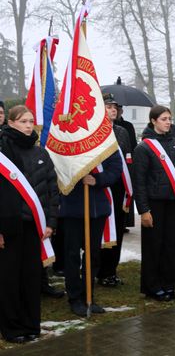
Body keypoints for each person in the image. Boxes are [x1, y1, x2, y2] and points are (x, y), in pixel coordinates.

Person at [0, 105, 59, 343]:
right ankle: (12, 328)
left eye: (31, 121)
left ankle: (31, 324)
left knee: (31, 278)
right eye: (23, 121)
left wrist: (51, 222)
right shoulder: (3, 153)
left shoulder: (40, 152)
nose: (28, 125)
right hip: (9, 227)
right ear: (11, 123)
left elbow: (52, 190)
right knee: (9, 279)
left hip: (35, 226)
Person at [60, 144, 122, 317]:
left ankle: (88, 295)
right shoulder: (69, 140)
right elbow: (59, 167)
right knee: (72, 254)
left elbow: (116, 168)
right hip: (73, 208)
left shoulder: (105, 141)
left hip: (97, 207)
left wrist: (97, 179)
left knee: (93, 255)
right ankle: (74, 297)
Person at [133, 105, 175, 301]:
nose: (168, 122)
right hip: (153, 203)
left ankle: (168, 284)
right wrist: (143, 210)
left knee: (169, 245)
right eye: (164, 119)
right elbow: (139, 181)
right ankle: (152, 286)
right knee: (153, 246)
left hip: (172, 202)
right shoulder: (144, 147)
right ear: (153, 121)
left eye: (169, 119)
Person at [97, 94, 132, 288]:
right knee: (100, 230)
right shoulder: (92, 132)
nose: (113, 110)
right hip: (100, 187)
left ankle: (111, 270)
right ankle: (97, 269)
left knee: (117, 228)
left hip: (119, 187)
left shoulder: (122, 131)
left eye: (115, 107)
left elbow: (128, 158)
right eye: (109, 106)